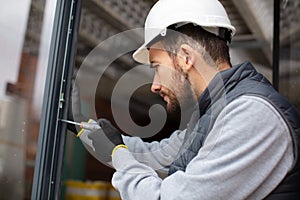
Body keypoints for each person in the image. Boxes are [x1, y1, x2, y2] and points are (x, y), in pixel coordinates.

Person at [70, 0, 300, 199]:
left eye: (157, 67)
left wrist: (118, 153)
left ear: (186, 57)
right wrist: (84, 127)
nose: (154, 85)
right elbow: (156, 157)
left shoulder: (251, 114)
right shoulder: (213, 115)